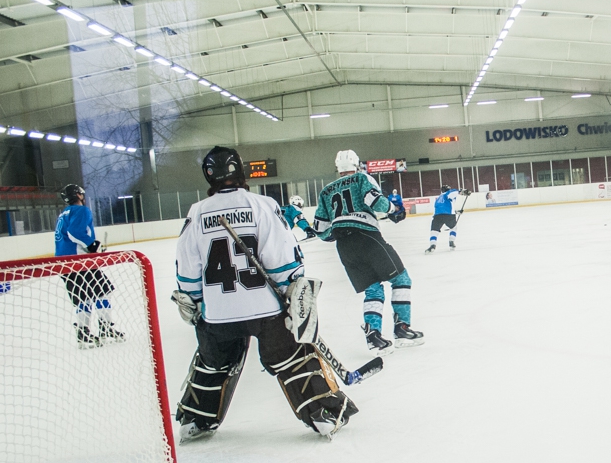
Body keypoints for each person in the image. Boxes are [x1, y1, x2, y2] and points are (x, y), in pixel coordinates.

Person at [172, 146, 356, 442]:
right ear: (240, 170)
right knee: (292, 357)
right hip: (266, 310)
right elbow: (281, 254)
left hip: (218, 312)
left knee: (212, 361)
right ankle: (323, 413)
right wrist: (291, 287)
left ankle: (195, 419)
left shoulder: (197, 212)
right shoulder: (261, 204)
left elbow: (187, 264)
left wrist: (192, 298)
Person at [313, 149, 423, 352]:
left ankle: (374, 337)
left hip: (344, 247)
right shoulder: (361, 178)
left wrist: (338, 232)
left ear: (338, 168)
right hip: (367, 237)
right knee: (401, 279)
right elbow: (375, 201)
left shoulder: (326, 191)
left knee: (373, 289)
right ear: (357, 165)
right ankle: (402, 329)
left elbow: (320, 229)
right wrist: (394, 210)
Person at [54, 183, 124, 347]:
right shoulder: (81, 210)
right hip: (79, 262)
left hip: (64, 263)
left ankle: (83, 332)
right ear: (78, 195)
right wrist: (91, 245)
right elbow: (74, 233)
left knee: (83, 297)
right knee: (103, 292)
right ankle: (105, 328)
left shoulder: (64, 214)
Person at [426, 184, 472, 253]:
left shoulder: (439, 198)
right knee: (453, 228)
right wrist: (463, 191)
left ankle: (432, 245)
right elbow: (454, 192)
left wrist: (456, 212)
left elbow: (443, 209)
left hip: (437, 216)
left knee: (434, 231)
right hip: (449, 215)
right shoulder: (448, 193)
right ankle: (451, 242)